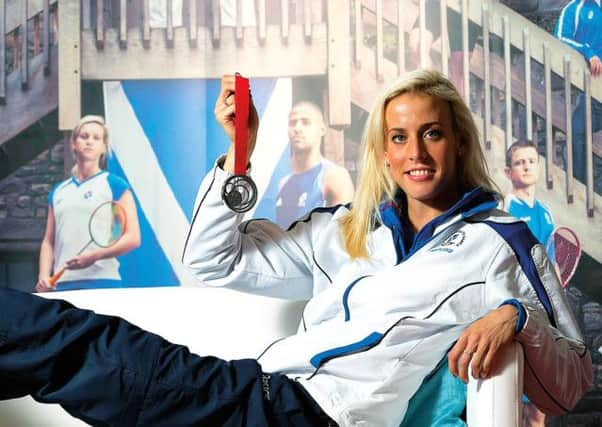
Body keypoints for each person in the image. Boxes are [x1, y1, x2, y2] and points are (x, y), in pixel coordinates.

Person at [0, 70, 592, 427]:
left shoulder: (502, 243)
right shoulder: (350, 228)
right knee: (63, 342)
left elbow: (571, 383)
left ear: (458, 141)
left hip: (312, 417)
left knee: (68, 342)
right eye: (399, 136)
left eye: (432, 133)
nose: (417, 151)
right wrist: (240, 160)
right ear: (383, 152)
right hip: (257, 395)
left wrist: (515, 315)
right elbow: (213, 261)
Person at [35, 115, 140, 292]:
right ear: (73, 144)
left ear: (104, 148)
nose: (89, 142)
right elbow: (48, 241)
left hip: (104, 283)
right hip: (62, 286)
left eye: (96, 138)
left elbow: (133, 238)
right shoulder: (58, 191)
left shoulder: (115, 185)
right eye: (84, 136)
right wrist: (44, 275)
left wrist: (95, 256)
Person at [502, 139, 554, 427]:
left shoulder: (546, 213)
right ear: (509, 171)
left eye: (531, 161)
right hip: (516, 313)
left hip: (542, 315)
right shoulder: (504, 209)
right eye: (520, 162)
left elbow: (552, 265)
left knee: (537, 409)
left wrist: (556, 310)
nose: (526, 166)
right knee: (511, 406)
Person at [275, 101, 354, 228]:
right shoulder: (282, 182)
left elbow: (344, 232)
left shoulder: (334, 177)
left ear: (322, 129)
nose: (297, 128)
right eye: (292, 123)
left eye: (306, 122)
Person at [554, 0, 602, 185]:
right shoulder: (575, 8)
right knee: (577, 130)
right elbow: (559, 37)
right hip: (593, 93)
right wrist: (588, 52)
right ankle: (580, 186)